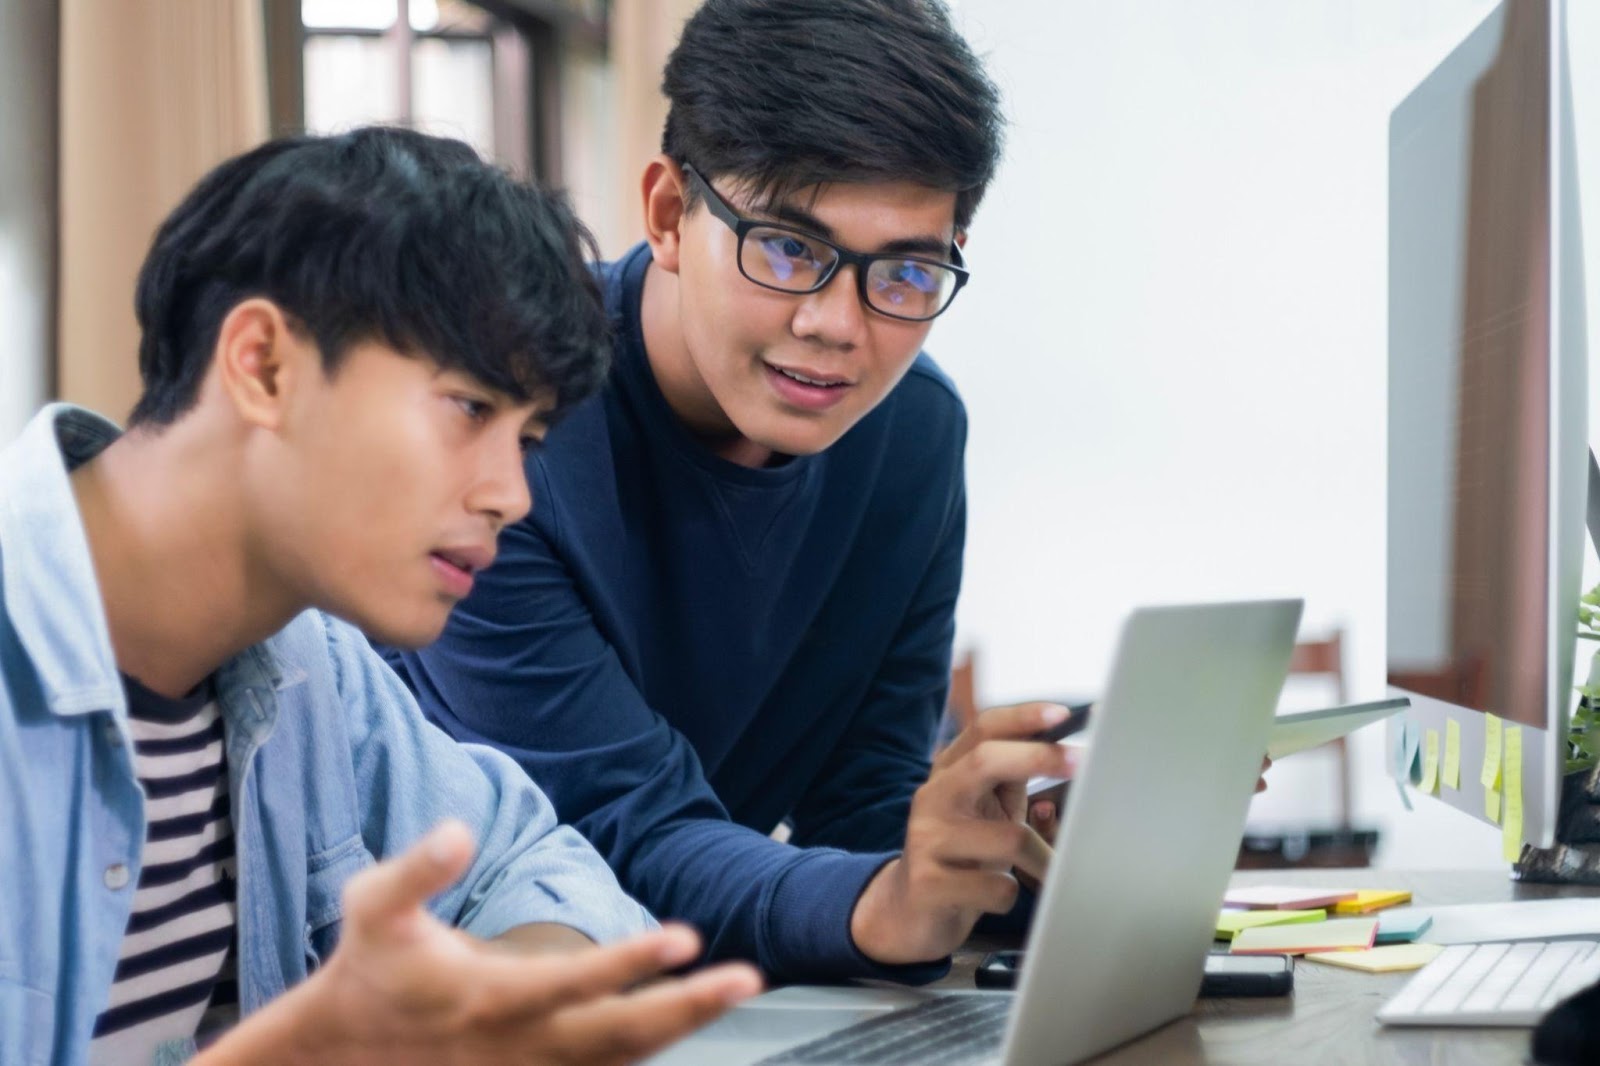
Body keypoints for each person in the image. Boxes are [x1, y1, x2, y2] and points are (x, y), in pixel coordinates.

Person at [0, 126, 760, 1066]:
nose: (512, 496)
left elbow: (540, 868)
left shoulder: (307, 661)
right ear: (263, 365)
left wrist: (486, 1008)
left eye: (526, 440)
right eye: (471, 409)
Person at [382, 0, 1072, 985]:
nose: (838, 326)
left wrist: (1011, 851)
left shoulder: (912, 433)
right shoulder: (504, 423)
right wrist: (886, 898)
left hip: (699, 992)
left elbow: (867, 803)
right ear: (667, 213)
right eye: (788, 250)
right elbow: (608, 836)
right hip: (465, 994)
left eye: (908, 271)